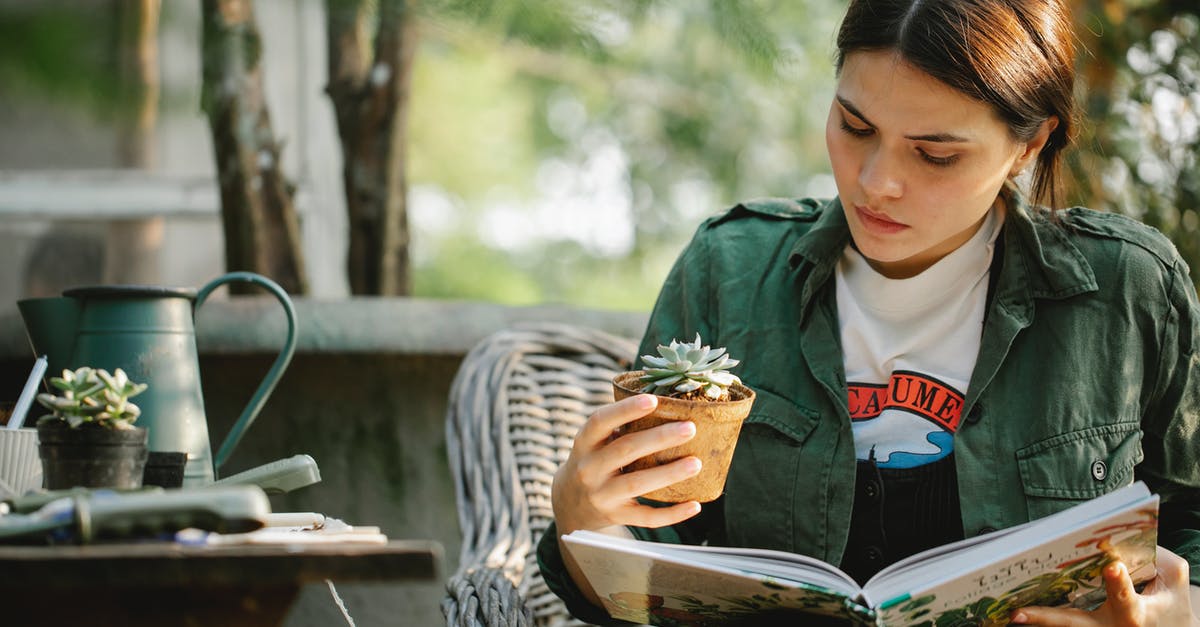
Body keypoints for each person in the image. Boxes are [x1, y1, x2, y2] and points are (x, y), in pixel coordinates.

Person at [537, 0, 1200, 625]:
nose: (876, 181)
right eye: (855, 126)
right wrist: (583, 523)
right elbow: (643, 562)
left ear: (1028, 146)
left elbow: (1190, 520)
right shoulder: (727, 272)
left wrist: (1184, 606)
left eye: (935, 153)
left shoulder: (1126, 291)